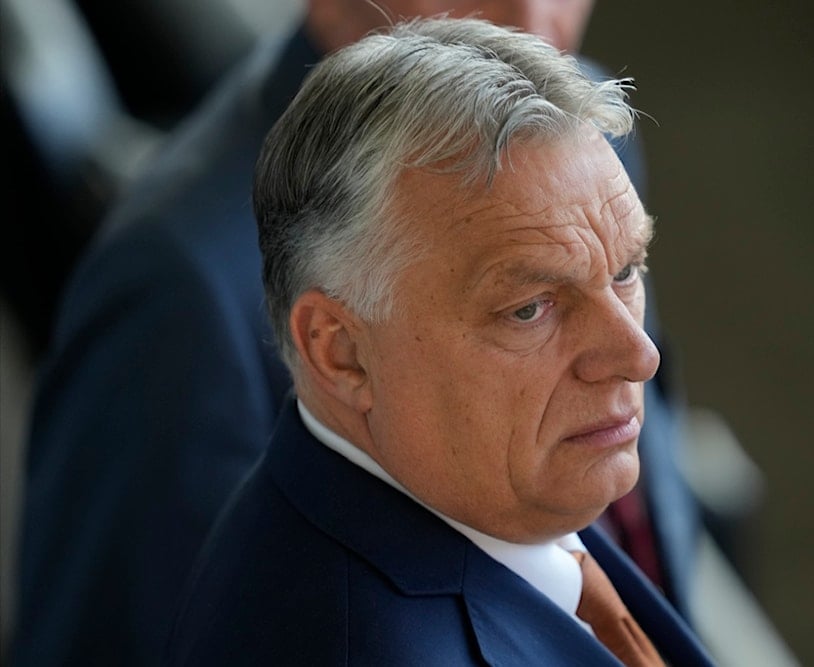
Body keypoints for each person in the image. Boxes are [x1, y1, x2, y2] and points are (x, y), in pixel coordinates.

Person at [13, 2, 699, 666]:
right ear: (338, 351)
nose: (533, 19)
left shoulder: (564, 136)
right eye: (528, 308)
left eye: (627, 270)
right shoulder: (178, 287)